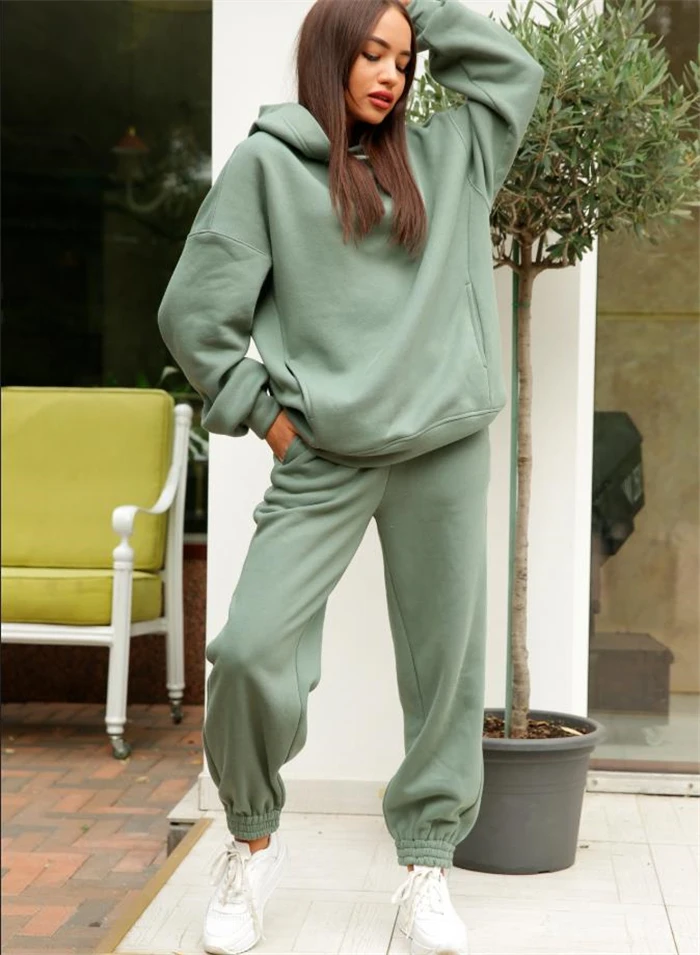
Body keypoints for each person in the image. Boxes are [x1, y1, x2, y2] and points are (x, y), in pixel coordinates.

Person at [158, 0, 543, 951]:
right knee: (250, 651)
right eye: (370, 52)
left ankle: (426, 866)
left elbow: (514, 77)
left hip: (442, 449)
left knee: (446, 668)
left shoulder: (454, 156)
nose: (389, 75)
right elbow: (193, 314)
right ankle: (252, 843)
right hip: (323, 456)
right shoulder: (267, 167)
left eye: (403, 60)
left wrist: (424, 8)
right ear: (328, 54)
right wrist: (270, 422)